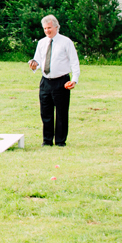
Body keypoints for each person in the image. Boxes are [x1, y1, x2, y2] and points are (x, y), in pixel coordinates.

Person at [28, 15, 79, 147]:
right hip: (45, 81)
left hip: (61, 81)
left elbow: (74, 62)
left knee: (61, 112)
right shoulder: (41, 43)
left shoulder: (66, 42)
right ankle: (47, 140)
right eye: (45, 28)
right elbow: (37, 60)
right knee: (46, 112)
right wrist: (34, 65)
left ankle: (60, 141)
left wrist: (74, 80)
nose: (47, 31)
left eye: (49, 28)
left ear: (56, 27)